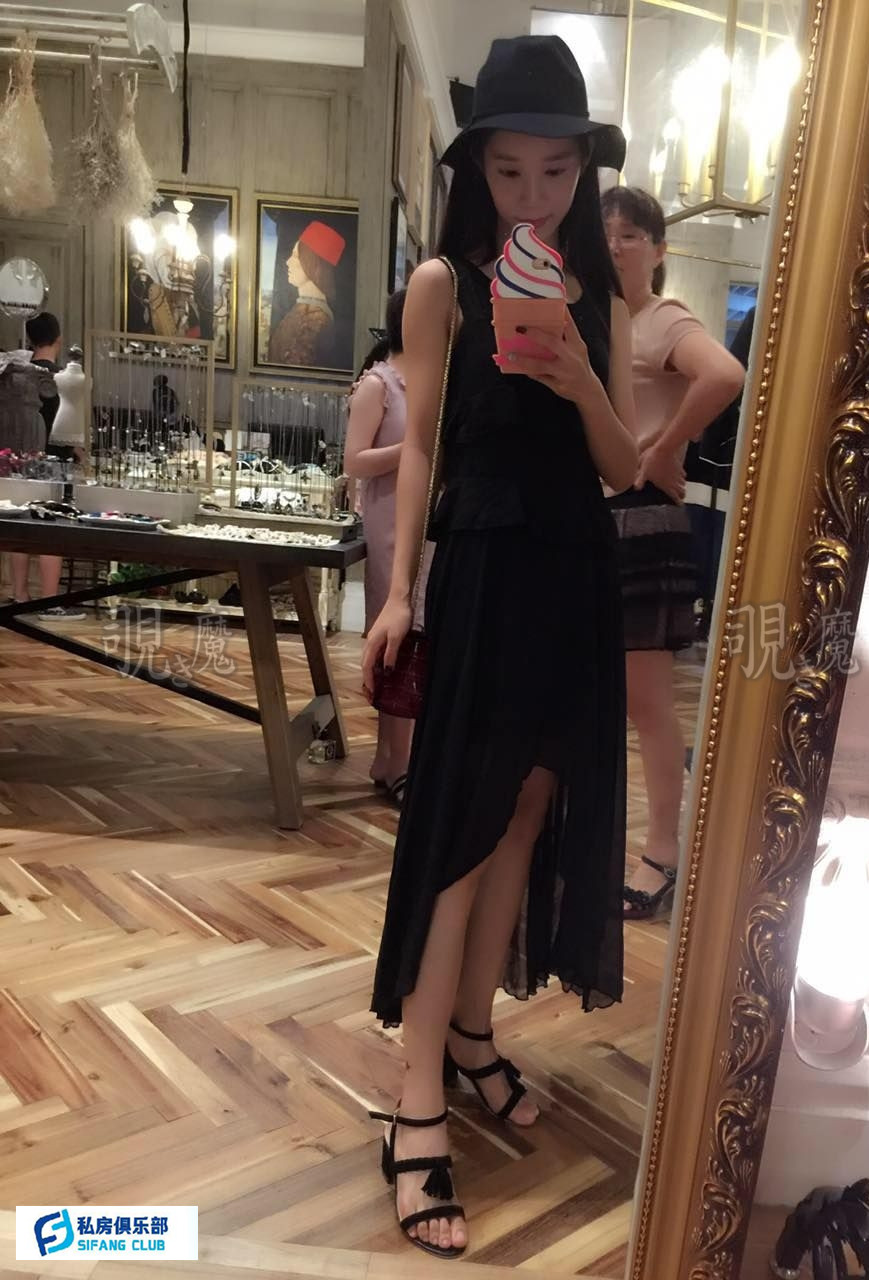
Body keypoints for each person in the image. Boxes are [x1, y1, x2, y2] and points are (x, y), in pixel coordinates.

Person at [361, 35, 637, 1260]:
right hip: (480, 566)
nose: (534, 195)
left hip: (572, 567)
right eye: (510, 171)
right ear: (478, 169)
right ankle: (415, 1096)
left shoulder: (596, 296)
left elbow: (624, 465)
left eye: (557, 173)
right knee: (462, 832)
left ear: (584, 171)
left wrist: (579, 372)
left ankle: (474, 1029)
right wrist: (399, 591)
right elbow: (422, 441)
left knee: (527, 810)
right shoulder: (442, 285)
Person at [600, 187, 745, 922]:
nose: (615, 243)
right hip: (589, 519)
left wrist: (662, 446)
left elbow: (725, 375)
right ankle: (592, 843)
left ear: (658, 249)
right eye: (605, 231)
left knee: (646, 702)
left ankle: (662, 851)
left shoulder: (662, 317)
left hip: (642, 519)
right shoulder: (592, 318)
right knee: (592, 693)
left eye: (631, 234)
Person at [344, 289, 412, 804]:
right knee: (394, 643)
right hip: (389, 524)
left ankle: (393, 758)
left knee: (416, 643)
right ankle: (394, 759)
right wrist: (413, 450)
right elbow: (355, 461)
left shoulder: (432, 383)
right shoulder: (378, 383)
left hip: (423, 525)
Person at [3, 313, 83, 620]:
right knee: (53, 528)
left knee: (21, 527)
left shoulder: (14, 373)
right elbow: (69, 428)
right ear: (58, 339)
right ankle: (49, 602)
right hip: (54, 461)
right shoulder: (61, 379)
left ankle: (20, 595)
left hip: (18, 458)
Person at [685, 305, 755, 637]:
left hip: (722, 456)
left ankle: (710, 609)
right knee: (713, 532)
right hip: (719, 458)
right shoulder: (759, 318)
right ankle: (707, 608)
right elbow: (733, 374)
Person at [267, 221, 344, 369]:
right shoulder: (305, 309)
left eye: (296, 256)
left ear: (312, 262)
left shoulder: (317, 320)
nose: (288, 262)